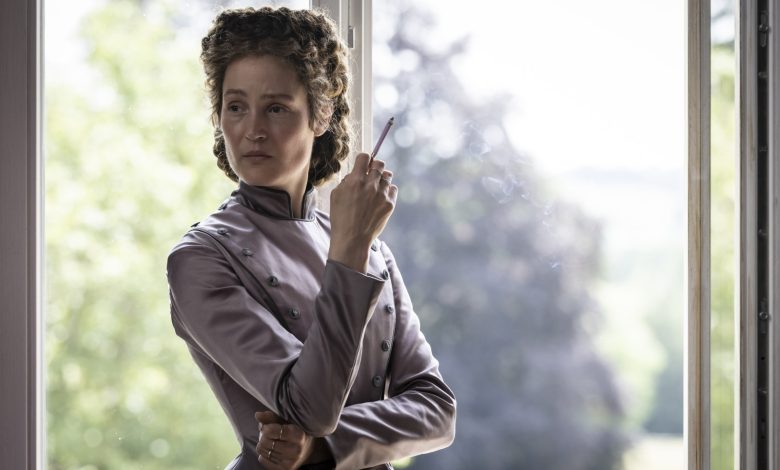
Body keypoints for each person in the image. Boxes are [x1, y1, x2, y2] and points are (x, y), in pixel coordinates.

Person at [165, 6, 456, 470]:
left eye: (275, 108)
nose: (252, 130)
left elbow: (438, 411)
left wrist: (323, 447)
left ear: (321, 115)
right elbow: (311, 408)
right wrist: (350, 250)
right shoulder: (201, 258)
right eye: (236, 107)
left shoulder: (371, 249)